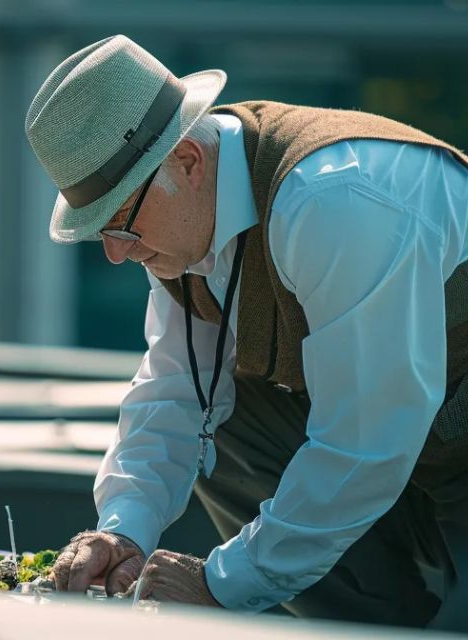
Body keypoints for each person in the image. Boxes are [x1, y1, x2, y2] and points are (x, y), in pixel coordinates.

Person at [24, 34, 468, 629]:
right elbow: (175, 390)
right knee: (220, 410)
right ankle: (367, 623)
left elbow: (369, 440)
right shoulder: (180, 227)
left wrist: (220, 583)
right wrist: (122, 530)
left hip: (427, 453)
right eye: (97, 230)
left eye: (119, 221)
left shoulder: (335, 200)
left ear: (187, 159)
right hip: (415, 460)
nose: (112, 252)